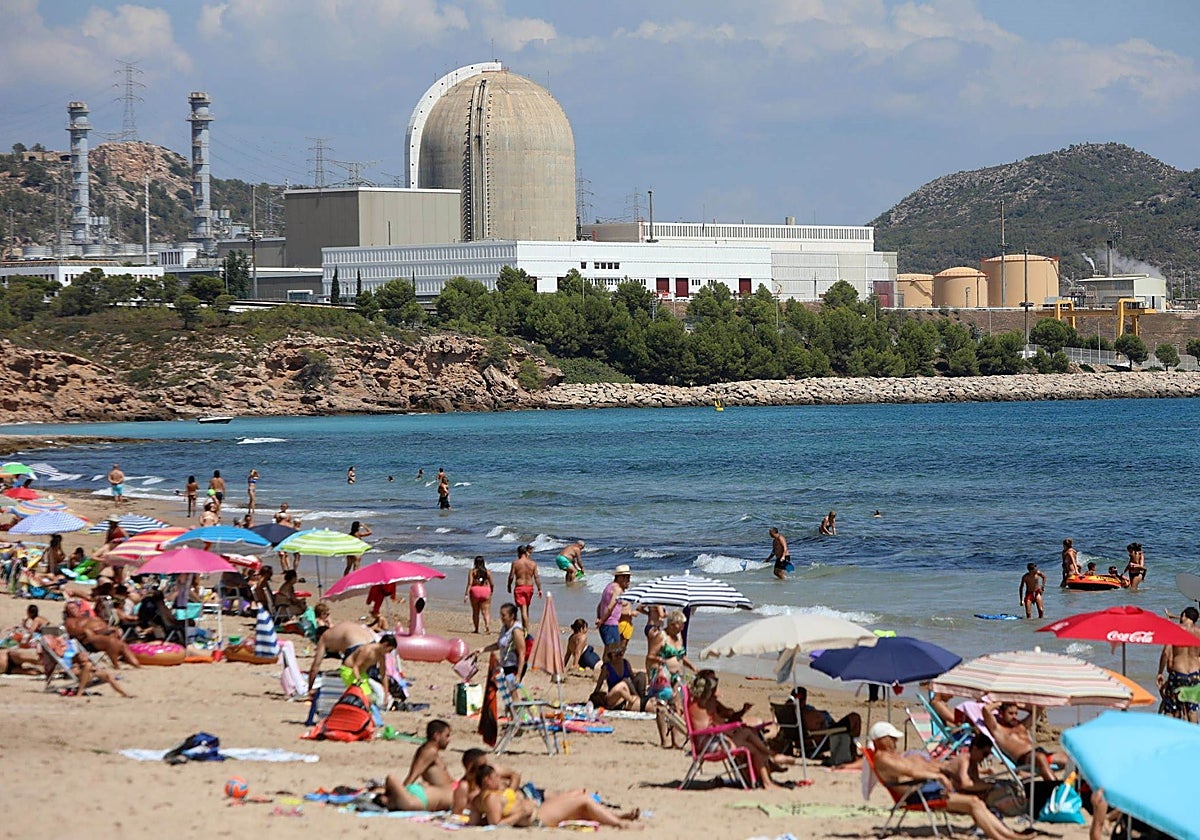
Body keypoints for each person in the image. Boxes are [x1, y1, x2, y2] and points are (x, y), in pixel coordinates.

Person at [868, 721, 1024, 840]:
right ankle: (1003, 837)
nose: (895, 742)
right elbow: (912, 772)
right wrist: (939, 776)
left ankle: (1007, 834)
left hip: (923, 790)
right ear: (880, 740)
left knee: (975, 801)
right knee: (973, 803)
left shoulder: (892, 756)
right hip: (916, 796)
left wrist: (941, 771)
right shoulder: (883, 759)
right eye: (892, 738)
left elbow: (916, 768)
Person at [688, 669, 795, 788]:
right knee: (752, 747)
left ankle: (771, 760)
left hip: (715, 739)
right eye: (713, 682)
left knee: (747, 733)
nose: (715, 684)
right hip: (709, 745)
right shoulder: (701, 706)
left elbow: (723, 717)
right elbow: (712, 725)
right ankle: (768, 775)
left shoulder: (704, 703)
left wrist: (738, 714)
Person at [471, 763, 641, 829]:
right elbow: (497, 825)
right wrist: (519, 814)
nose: (500, 779)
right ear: (487, 780)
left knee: (577, 796)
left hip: (536, 812)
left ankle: (617, 816)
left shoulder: (479, 799)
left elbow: (475, 822)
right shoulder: (491, 798)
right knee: (582, 801)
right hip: (536, 818)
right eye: (495, 777)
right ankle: (619, 823)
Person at [382, 719, 455, 811]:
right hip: (430, 797)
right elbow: (413, 775)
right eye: (447, 736)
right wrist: (404, 790)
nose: (448, 740)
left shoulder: (431, 751)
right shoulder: (429, 751)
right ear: (437, 736)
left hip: (437, 794)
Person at [982, 701, 1056, 781]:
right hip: (1024, 758)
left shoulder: (1022, 726)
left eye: (1016, 713)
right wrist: (1001, 703)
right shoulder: (997, 729)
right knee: (1040, 757)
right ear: (1001, 713)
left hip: (1041, 753)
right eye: (1010, 713)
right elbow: (986, 709)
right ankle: (1058, 789)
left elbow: (1037, 710)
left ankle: (1070, 788)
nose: (1014, 716)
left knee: (1067, 757)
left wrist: (1016, 705)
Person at [1157, 605, 1200, 722]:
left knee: (1172, 708)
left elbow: (1166, 652)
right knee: (1192, 708)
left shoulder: (1175, 629)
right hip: (1195, 674)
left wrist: (1160, 672)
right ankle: (1194, 737)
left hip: (1178, 673)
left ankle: (1171, 734)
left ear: (1184, 615)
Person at [453, 749, 521, 819]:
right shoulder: (465, 787)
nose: (486, 768)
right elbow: (458, 813)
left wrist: (510, 793)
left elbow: (515, 775)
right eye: (482, 766)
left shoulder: (492, 771)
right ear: (470, 767)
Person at [477, 603, 525, 679]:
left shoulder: (516, 631)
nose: (501, 618)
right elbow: (499, 645)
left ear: (512, 616)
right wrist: (483, 649)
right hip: (505, 664)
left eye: (503, 615)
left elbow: (522, 653)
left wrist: (518, 675)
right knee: (506, 690)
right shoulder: (504, 627)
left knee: (511, 690)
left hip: (513, 666)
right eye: (501, 615)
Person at [592, 643, 644, 711]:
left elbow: (632, 678)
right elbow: (599, 684)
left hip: (629, 689)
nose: (619, 657)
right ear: (611, 656)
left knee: (641, 676)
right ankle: (638, 697)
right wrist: (595, 697)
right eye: (616, 655)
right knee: (625, 680)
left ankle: (642, 696)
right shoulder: (607, 668)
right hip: (617, 692)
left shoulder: (625, 663)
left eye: (621, 654)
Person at [505, 544, 542, 629]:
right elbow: (536, 577)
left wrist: (509, 585)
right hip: (529, 587)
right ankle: (526, 626)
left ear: (518, 553)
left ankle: (526, 629)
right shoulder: (533, 563)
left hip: (520, 587)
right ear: (526, 552)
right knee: (526, 608)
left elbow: (511, 576)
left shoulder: (516, 563)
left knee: (523, 610)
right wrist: (539, 589)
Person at [596, 565, 631, 647]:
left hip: (606, 624)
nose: (629, 581)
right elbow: (610, 607)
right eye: (627, 578)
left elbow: (600, 605)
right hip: (610, 624)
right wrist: (601, 620)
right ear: (621, 578)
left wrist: (599, 618)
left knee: (609, 651)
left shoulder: (609, 586)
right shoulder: (617, 589)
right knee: (614, 650)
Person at [466, 555, 496, 634]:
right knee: (486, 611)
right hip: (485, 591)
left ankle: (476, 629)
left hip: (475, 591)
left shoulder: (472, 571)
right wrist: (491, 591)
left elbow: (469, 583)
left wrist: (466, 594)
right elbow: (492, 584)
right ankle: (487, 628)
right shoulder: (488, 572)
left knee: (475, 612)